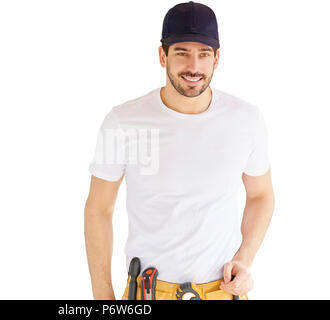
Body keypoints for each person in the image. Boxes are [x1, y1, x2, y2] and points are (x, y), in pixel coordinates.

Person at [84, 1, 275, 300]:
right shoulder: (122, 122)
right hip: (148, 291)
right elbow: (98, 210)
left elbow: (261, 195)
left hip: (223, 291)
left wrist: (245, 258)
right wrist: (104, 298)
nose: (194, 67)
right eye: (182, 53)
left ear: (217, 58)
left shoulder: (246, 119)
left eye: (204, 54)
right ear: (162, 55)